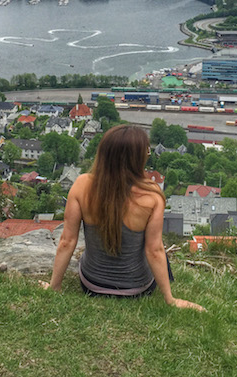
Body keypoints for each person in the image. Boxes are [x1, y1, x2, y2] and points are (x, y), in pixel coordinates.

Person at [44, 124, 204, 311]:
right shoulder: (152, 196)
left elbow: (67, 241)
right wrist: (170, 299)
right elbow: (154, 251)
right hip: (136, 290)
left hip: (92, 286)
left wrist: (54, 287)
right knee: (157, 248)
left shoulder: (81, 185)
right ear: (137, 159)